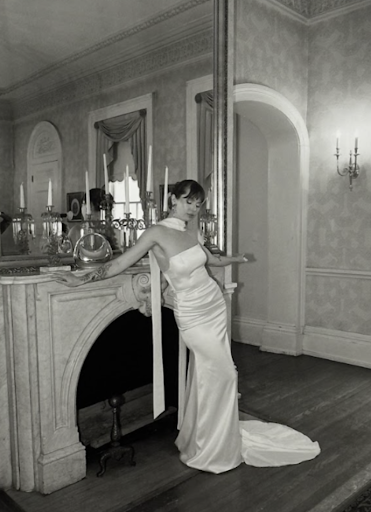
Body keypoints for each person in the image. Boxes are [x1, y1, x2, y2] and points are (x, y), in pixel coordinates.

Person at [53, 179, 320, 473]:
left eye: (197, 203)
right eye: (188, 201)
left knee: (211, 374)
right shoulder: (156, 233)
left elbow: (210, 261)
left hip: (213, 306)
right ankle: (212, 444)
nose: (193, 208)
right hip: (191, 313)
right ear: (172, 199)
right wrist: (80, 278)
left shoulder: (191, 231)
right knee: (225, 375)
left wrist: (238, 258)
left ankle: (206, 439)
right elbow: (119, 264)